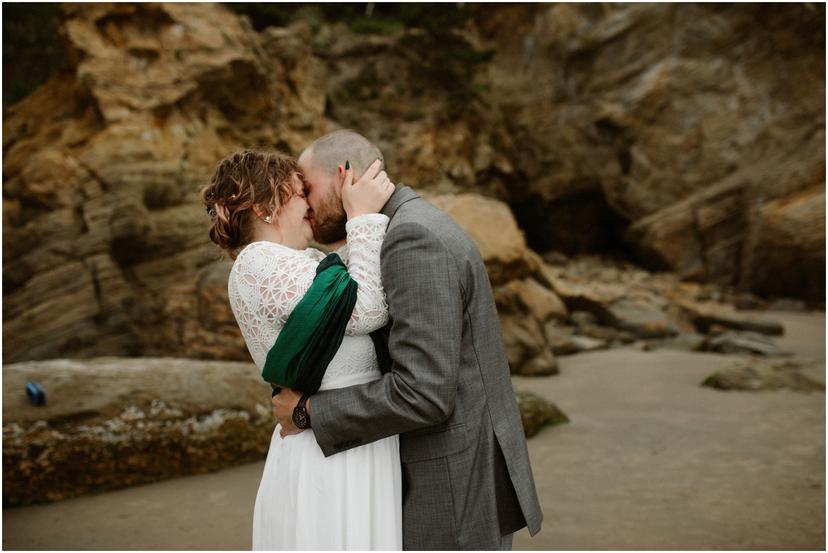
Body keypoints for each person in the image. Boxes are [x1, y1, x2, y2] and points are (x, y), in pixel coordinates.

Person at [273, 130, 544, 550]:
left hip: (450, 491)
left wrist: (309, 412)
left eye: (307, 189)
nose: (305, 205)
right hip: (462, 477)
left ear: (345, 177)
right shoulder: (406, 224)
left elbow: (425, 391)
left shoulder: (410, 239)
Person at [200, 149, 401, 550]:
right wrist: (362, 219)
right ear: (264, 206)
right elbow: (366, 309)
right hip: (330, 455)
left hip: (349, 438)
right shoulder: (259, 263)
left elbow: (348, 284)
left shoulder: (299, 261)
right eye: (297, 193)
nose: (310, 203)